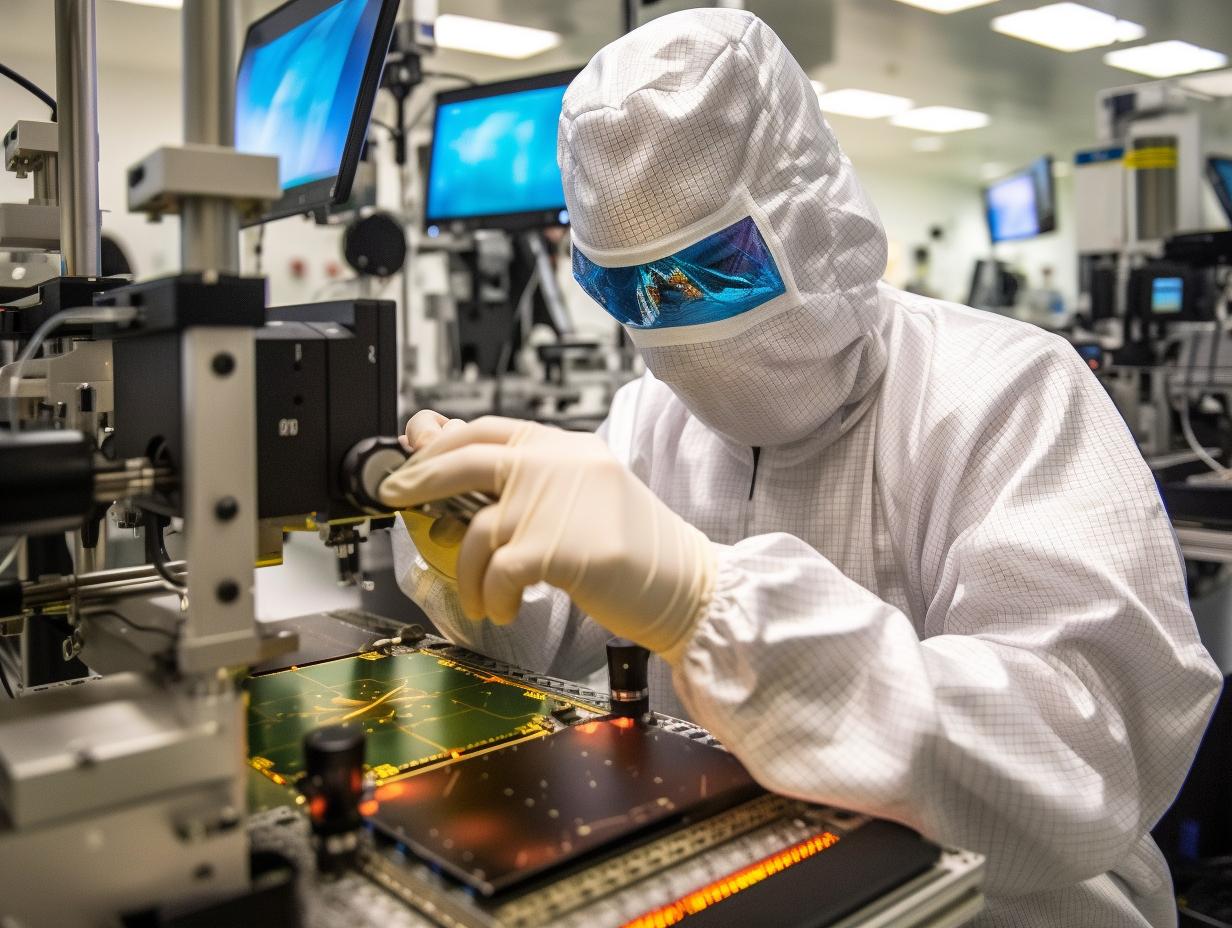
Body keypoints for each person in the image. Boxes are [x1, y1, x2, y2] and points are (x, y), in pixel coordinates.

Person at [380, 9, 1221, 926]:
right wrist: (466, 543)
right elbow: (545, 639)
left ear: (811, 216)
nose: (673, 320)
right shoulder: (649, 416)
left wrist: (706, 600)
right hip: (732, 875)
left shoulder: (1007, 391)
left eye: (707, 270)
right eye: (629, 288)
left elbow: (1080, 757)